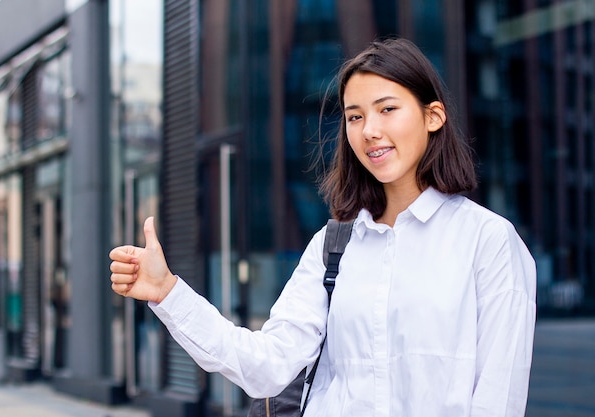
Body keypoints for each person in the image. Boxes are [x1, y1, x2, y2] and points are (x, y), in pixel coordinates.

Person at [109, 38, 537, 416]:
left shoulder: (488, 242)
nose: (370, 130)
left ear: (433, 116)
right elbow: (267, 367)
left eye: (387, 109)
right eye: (354, 117)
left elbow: (498, 399)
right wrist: (168, 293)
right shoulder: (335, 245)